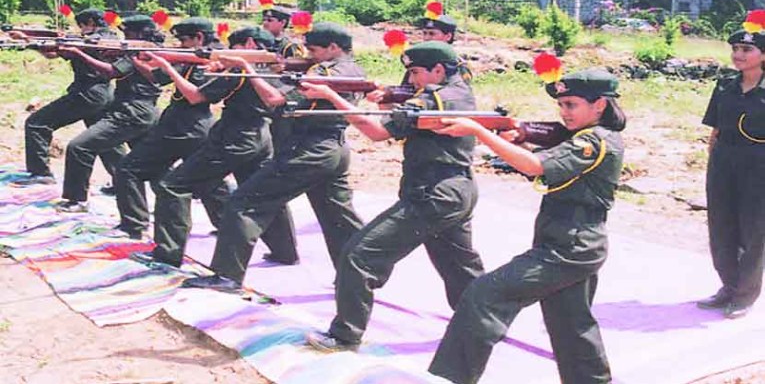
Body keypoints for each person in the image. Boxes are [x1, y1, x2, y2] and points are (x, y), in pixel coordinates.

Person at [427, 67, 626, 384]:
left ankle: (448, 379)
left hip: (569, 247)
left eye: (571, 104)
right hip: (571, 242)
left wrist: (481, 133)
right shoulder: (584, 137)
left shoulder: (593, 142)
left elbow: (535, 166)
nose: (564, 112)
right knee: (571, 325)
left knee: (483, 295)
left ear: (600, 104)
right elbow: (542, 163)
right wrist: (518, 137)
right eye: (560, 105)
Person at [304, 41, 485, 352]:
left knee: (359, 255)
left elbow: (377, 132)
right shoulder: (456, 91)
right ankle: (484, 325)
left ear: (437, 70)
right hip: (457, 189)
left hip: (433, 194)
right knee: (459, 266)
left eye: (415, 72)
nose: (412, 80)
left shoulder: (433, 98)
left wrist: (332, 96)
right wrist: (388, 101)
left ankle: (345, 336)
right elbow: (402, 124)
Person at [181, 22, 364, 292]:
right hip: (334, 147)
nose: (309, 55)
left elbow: (275, 99)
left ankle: (227, 276)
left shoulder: (324, 71)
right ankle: (356, 277)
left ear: (333, 48)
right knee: (338, 217)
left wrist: (249, 69)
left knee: (243, 203)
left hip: (308, 149)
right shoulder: (354, 69)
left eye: (313, 50)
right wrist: (278, 71)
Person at [129, 27, 297, 267]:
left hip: (234, 137)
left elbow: (196, 96)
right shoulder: (276, 68)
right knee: (263, 194)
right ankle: (285, 251)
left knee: (173, 186)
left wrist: (168, 68)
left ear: (249, 44)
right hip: (261, 136)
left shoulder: (241, 70)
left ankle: (168, 254)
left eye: (234, 46)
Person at [113, 18, 230, 240]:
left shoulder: (211, 60)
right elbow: (157, 77)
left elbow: (195, 96)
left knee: (129, 169)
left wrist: (167, 63)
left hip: (187, 125)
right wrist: (135, 58)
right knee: (207, 180)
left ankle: (135, 225)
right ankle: (227, 225)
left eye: (184, 40)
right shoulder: (191, 56)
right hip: (184, 124)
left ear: (199, 38)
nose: (180, 45)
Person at [55, 15, 164, 213]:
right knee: (150, 163)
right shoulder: (144, 50)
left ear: (140, 33)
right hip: (142, 111)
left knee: (79, 147)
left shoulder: (141, 52)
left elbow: (111, 72)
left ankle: (77, 200)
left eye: (128, 33)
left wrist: (80, 54)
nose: (124, 37)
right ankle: (168, 204)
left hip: (131, 112)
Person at [696, 25, 765, 320]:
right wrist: (713, 160)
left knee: (754, 231)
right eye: (735, 49)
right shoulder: (725, 85)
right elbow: (715, 129)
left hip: (758, 166)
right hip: (724, 162)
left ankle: (745, 295)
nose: (738, 54)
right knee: (721, 226)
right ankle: (729, 285)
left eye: (747, 49)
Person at [15, 8, 123, 187]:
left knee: (37, 123)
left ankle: (41, 174)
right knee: (105, 139)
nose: (80, 30)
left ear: (90, 22)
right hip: (106, 93)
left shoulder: (89, 40)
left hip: (86, 93)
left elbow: (57, 51)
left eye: (81, 25)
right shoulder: (112, 38)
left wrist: (27, 40)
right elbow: (54, 52)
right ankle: (122, 181)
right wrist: (30, 40)